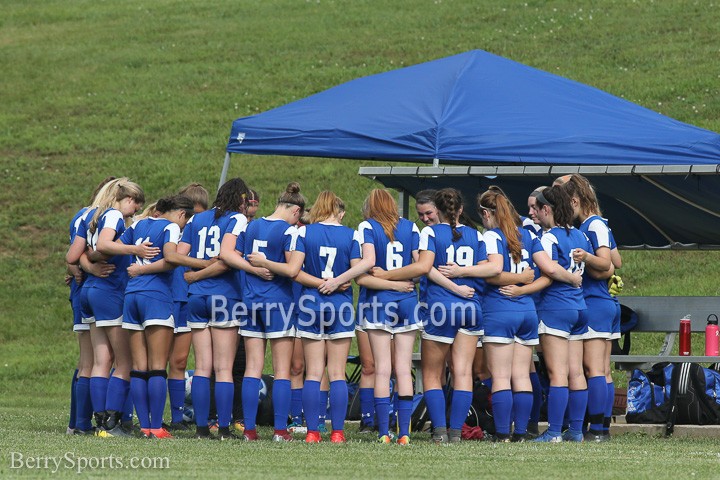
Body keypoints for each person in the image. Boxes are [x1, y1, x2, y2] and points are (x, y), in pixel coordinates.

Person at [66, 178, 156, 437]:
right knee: (124, 361)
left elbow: (75, 256)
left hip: (90, 291)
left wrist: (91, 263)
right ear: (125, 199)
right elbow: (104, 244)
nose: (136, 211)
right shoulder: (114, 214)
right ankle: (111, 423)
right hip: (110, 291)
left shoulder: (89, 215)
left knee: (100, 361)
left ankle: (94, 423)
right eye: (135, 204)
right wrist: (134, 248)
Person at [107, 195, 198, 438]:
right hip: (155, 297)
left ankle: (144, 425)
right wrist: (202, 263)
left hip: (132, 296)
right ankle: (156, 427)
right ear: (181, 215)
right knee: (158, 367)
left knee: (139, 367)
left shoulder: (138, 224)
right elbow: (170, 258)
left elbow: (110, 246)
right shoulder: (170, 227)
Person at [220, 181, 305, 442]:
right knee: (281, 370)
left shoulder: (252, 225)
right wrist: (267, 264)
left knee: (252, 369)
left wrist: (252, 266)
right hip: (278, 304)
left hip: (251, 303)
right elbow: (292, 271)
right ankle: (280, 431)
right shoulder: (290, 232)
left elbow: (230, 254)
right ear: (296, 211)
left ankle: (249, 431)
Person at [336, 189, 419, 445]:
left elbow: (362, 275)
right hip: (407, 301)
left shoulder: (366, 227)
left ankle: (384, 431)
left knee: (382, 370)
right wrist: (402, 282)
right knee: (403, 369)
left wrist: (386, 280)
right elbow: (419, 269)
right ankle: (404, 432)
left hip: (378, 302)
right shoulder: (411, 227)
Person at [177, 177, 249, 440]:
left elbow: (178, 253)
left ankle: (200, 429)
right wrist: (206, 270)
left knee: (202, 367)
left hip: (196, 297)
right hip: (224, 296)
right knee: (223, 368)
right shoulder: (237, 219)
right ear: (240, 199)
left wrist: (195, 272)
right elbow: (226, 259)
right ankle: (225, 428)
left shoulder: (197, 218)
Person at [528, 185, 591, 442]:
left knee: (557, 374)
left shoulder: (548, 237)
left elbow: (550, 270)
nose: (534, 213)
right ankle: (575, 431)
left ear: (547, 209)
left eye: (537, 209)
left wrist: (569, 279)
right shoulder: (580, 236)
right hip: (579, 309)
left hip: (556, 307)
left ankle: (554, 432)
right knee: (576, 372)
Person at [561, 174, 621, 441]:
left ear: (575, 200)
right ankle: (602, 427)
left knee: (594, 369)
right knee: (603, 370)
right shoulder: (601, 224)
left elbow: (608, 264)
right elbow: (616, 260)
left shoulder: (592, 225)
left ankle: (597, 429)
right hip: (606, 305)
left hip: (595, 303)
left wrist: (587, 258)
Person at [65, 177, 117, 435]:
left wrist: (79, 269)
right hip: (96, 290)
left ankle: (77, 423)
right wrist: (90, 268)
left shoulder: (81, 215)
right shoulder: (102, 218)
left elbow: (72, 259)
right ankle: (84, 424)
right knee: (94, 361)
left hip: (83, 290)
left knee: (88, 361)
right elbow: (75, 257)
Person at [167, 183, 209, 431]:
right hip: (165, 296)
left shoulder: (203, 228)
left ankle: (177, 416)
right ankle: (150, 416)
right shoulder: (169, 227)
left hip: (187, 297)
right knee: (156, 360)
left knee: (180, 361)